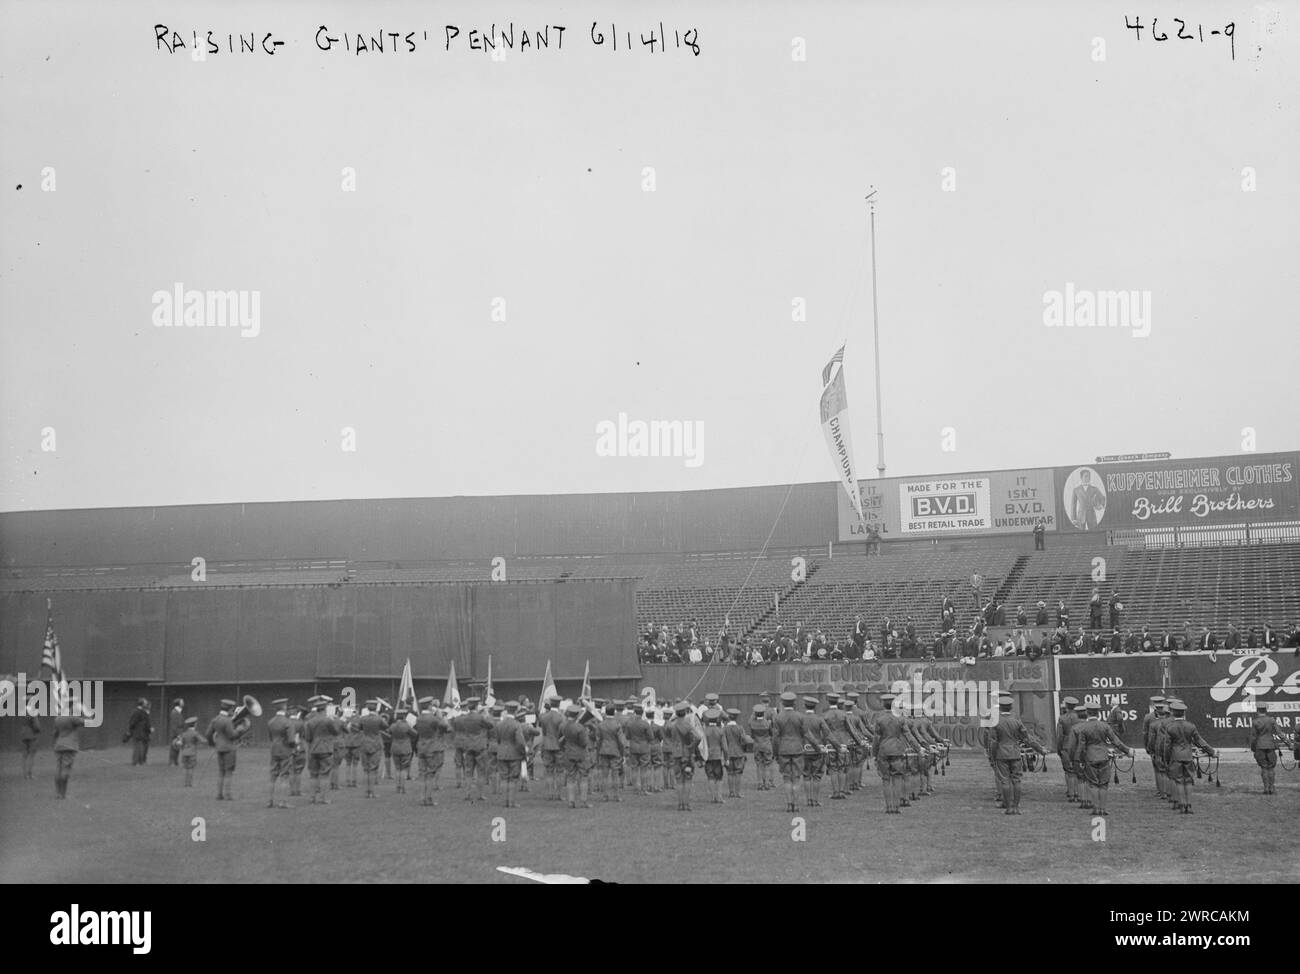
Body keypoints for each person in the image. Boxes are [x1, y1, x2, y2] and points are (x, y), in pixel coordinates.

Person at [1071, 701, 1131, 817]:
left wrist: (1078, 761)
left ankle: (1096, 809)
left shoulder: (1083, 728)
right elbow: (1116, 742)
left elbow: (1081, 747)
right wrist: (1127, 751)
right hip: (1104, 756)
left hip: (1090, 757)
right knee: (1103, 784)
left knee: (1093, 784)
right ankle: (1103, 809)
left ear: (1087, 712)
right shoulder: (1105, 726)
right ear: (1098, 713)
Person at [991, 693, 1045, 815]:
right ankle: (1016, 807)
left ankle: (1009, 807)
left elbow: (993, 742)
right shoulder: (1017, 721)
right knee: (1017, 780)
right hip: (1015, 753)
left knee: (1005, 781)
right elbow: (1028, 739)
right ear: (1011, 707)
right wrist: (1040, 749)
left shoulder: (995, 721)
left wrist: (993, 756)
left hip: (1001, 754)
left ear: (1000, 707)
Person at [1160, 699, 1215, 813]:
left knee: (1179, 781)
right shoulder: (1191, 726)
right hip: (1188, 756)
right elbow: (1200, 741)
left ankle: (1182, 804)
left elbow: (1167, 746)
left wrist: (1166, 759)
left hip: (1175, 757)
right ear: (1184, 713)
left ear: (1173, 712)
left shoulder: (1170, 727)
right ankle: (1189, 805)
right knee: (1189, 780)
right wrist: (1211, 751)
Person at [206, 698, 251, 801]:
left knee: (221, 772)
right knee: (228, 772)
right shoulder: (227, 721)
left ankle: (219, 795)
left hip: (219, 749)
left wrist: (213, 744)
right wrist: (241, 730)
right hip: (229, 749)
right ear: (230, 709)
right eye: (232, 709)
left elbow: (208, 734)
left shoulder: (215, 719)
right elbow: (232, 735)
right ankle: (228, 795)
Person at [302, 695, 342, 805]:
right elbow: (336, 732)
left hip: (313, 749)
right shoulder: (328, 720)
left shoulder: (309, 722)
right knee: (324, 775)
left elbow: (308, 737)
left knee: (313, 775)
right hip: (325, 749)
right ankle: (323, 798)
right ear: (324, 708)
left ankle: (312, 798)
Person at [874, 693, 909, 814]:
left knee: (886, 779)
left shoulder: (879, 719)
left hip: (883, 751)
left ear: (883, 704)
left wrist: (874, 754)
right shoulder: (900, 719)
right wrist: (919, 747)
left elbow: (876, 739)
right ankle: (896, 807)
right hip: (897, 750)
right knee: (898, 778)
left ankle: (889, 807)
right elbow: (908, 735)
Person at [667, 700, 703, 811]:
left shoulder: (671, 725)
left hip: (676, 754)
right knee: (688, 779)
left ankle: (680, 804)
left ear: (676, 713)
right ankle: (686, 804)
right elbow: (698, 737)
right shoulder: (688, 725)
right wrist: (691, 747)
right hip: (687, 755)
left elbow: (668, 735)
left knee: (678, 780)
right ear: (686, 712)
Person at [414, 697, 451, 806]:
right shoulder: (434, 719)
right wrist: (441, 717)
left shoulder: (419, 718)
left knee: (423, 774)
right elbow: (448, 729)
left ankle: (422, 797)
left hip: (421, 747)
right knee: (430, 774)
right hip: (433, 748)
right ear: (430, 705)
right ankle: (428, 798)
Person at [495, 701, 531, 808]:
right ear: (516, 711)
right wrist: (523, 752)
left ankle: (504, 802)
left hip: (501, 753)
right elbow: (520, 742)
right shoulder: (516, 725)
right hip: (514, 754)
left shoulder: (499, 724)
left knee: (504, 778)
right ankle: (512, 802)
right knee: (513, 779)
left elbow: (498, 739)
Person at [265, 698, 297, 809]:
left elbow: (270, 738)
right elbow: (292, 740)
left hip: (274, 750)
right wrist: (294, 748)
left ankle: (269, 801)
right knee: (284, 776)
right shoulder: (288, 722)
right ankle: (283, 802)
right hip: (285, 751)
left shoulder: (271, 722)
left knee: (272, 776)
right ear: (284, 707)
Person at [53, 702, 89, 799]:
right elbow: (87, 721)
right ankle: (63, 795)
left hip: (58, 745)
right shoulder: (72, 718)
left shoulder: (57, 718)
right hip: (70, 746)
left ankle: (58, 793)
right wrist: (83, 709)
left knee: (58, 769)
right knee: (66, 769)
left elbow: (55, 733)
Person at [561, 702, 593, 809]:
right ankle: (583, 802)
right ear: (577, 715)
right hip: (580, 754)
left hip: (568, 753)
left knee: (570, 778)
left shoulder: (563, 725)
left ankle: (571, 802)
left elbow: (560, 739)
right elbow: (584, 743)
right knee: (583, 777)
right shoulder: (580, 727)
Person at [1247, 700, 1282, 795]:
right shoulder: (1271, 720)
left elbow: (1253, 737)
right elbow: (1279, 733)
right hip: (1270, 746)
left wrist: (1253, 748)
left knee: (1264, 767)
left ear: (1257, 710)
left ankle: (1266, 788)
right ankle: (1272, 787)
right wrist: (1288, 743)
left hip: (1260, 746)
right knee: (1271, 767)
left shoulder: (1255, 722)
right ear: (1266, 710)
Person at [595, 702, 627, 801]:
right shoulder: (617, 725)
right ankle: (616, 796)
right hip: (615, 751)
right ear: (614, 712)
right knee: (615, 774)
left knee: (604, 775)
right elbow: (621, 742)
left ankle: (605, 796)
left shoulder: (600, 725)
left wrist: (598, 751)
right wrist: (623, 754)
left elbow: (598, 740)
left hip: (603, 751)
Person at [538, 695, 566, 800]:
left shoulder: (543, 716)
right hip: (559, 746)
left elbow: (544, 732)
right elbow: (563, 732)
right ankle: (558, 795)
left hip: (547, 745)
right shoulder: (561, 717)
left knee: (549, 771)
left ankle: (550, 794)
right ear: (558, 704)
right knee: (559, 771)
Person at [1141, 697, 1169, 802]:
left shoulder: (1148, 718)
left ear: (1154, 706)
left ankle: (1161, 790)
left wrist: (1148, 747)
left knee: (1158, 770)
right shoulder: (1169, 717)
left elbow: (1145, 734)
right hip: (1167, 747)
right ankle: (1168, 791)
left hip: (1155, 747)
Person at [623, 703, 654, 795]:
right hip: (644, 747)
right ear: (642, 712)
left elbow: (627, 736)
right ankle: (644, 789)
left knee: (634, 768)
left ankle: (636, 788)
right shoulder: (645, 724)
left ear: (634, 712)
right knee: (644, 769)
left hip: (633, 747)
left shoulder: (629, 723)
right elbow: (651, 737)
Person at [723, 708, 752, 799]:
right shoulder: (740, 728)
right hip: (739, 752)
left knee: (730, 773)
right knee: (738, 773)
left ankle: (731, 792)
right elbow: (744, 740)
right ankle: (737, 792)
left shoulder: (724, 728)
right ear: (736, 718)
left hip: (728, 752)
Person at [1056, 696, 1081, 802]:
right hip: (1078, 746)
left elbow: (1059, 736)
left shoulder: (1062, 718)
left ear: (1066, 706)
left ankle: (1071, 794)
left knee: (1069, 771)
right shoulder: (1080, 718)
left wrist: (1059, 748)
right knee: (1078, 771)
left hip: (1066, 746)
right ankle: (1078, 793)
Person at [702, 709, 727, 804]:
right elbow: (725, 747)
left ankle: (713, 797)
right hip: (717, 756)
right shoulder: (720, 731)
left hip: (707, 756)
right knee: (719, 777)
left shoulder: (704, 731)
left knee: (710, 777)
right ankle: (719, 797)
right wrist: (726, 758)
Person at [389, 709, 417, 795]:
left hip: (395, 747)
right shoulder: (406, 726)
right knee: (404, 769)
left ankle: (397, 787)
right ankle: (403, 787)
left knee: (397, 768)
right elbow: (415, 734)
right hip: (405, 748)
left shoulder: (393, 726)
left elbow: (388, 732)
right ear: (404, 716)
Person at [750, 703, 775, 791]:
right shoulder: (767, 723)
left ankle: (760, 783)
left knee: (759, 765)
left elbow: (752, 735)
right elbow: (771, 733)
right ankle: (767, 783)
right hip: (766, 745)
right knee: (767, 764)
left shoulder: (752, 724)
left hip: (757, 745)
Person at [126, 698, 152, 766]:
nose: (146, 704)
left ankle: (139, 762)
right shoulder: (137, 712)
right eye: (145, 703)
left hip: (140, 733)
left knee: (140, 748)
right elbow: (132, 723)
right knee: (137, 748)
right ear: (142, 704)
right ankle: (136, 762)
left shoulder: (141, 711)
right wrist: (131, 731)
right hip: (137, 733)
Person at [179, 716, 201, 787]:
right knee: (191, 768)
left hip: (184, 752)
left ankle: (185, 783)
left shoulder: (184, 733)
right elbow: (202, 740)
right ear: (194, 724)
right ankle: (190, 783)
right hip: (192, 752)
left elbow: (181, 743)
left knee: (185, 768)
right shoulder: (195, 733)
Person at [20, 705, 41, 779]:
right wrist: (38, 730)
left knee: (24, 756)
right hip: (32, 735)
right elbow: (37, 726)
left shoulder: (22, 712)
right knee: (31, 756)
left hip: (23, 735)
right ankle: (30, 774)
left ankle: (24, 775)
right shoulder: (33, 713)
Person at [167, 698, 185, 766]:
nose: (183, 703)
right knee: (173, 748)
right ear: (178, 703)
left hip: (178, 732)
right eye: (182, 702)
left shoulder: (178, 712)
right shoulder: (174, 712)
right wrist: (178, 735)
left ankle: (175, 762)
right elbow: (174, 725)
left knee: (177, 748)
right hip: (175, 733)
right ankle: (172, 762)